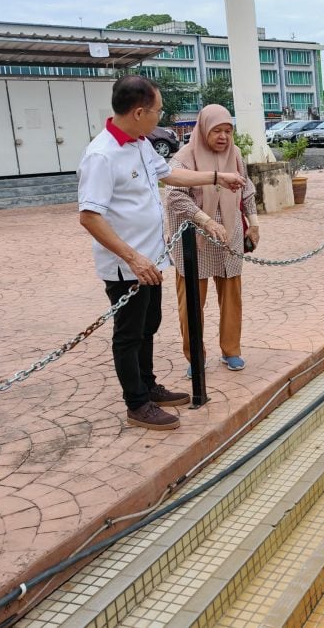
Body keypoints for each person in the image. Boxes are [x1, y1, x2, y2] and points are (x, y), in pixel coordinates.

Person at [78, 76, 246, 431]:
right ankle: (136, 403)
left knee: (149, 325)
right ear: (139, 111)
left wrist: (218, 177)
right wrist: (132, 258)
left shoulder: (140, 143)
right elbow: (90, 216)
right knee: (129, 333)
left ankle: (149, 386)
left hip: (151, 260)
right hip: (127, 267)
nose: (160, 116)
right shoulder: (101, 155)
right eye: (157, 110)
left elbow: (170, 174)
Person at [164, 105, 259, 378]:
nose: (223, 137)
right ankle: (195, 356)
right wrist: (205, 220)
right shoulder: (183, 158)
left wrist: (254, 224)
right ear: (204, 129)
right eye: (217, 130)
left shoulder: (235, 155)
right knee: (192, 302)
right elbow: (174, 196)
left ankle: (231, 350)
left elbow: (247, 190)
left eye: (228, 131)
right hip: (194, 241)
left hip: (229, 236)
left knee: (232, 297)